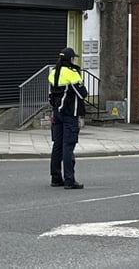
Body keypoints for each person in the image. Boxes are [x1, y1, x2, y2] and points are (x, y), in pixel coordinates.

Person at [48, 47, 88, 189]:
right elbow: (83, 93)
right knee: (68, 146)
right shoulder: (72, 74)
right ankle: (69, 180)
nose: (76, 60)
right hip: (70, 113)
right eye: (74, 58)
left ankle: (55, 178)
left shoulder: (53, 73)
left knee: (57, 145)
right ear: (71, 59)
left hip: (56, 112)